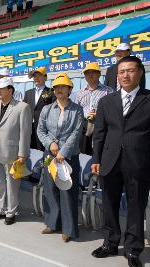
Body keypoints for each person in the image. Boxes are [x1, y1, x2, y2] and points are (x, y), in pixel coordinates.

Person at [91, 56, 150, 267]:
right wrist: (96, 158)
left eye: (130, 70)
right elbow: (99, 134)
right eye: (122, 71)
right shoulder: (106, 101)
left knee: (136, 206)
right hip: (110, 161)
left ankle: (133, 250)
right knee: (109, 204)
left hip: (139, 162)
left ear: (140, 73)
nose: (126, 75)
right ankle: (110, 243)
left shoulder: (148, 98)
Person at [37, 73, 84, 242]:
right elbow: (40, 130)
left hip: (69, 156)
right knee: (49, 189)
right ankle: (52, 223)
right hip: (50, 155)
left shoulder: (77, 110)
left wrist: (63, 152)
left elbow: (76, 133)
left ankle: (69, 229)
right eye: (56, 87)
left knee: (68, 191)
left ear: (70, 89)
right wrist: (50, 144)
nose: (59, 90)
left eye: (63, 87)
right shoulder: (46, 109)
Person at [0, 77, 32, 225]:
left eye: (2, 89)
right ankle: (0, 209)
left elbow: (25, 132)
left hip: (12, 153)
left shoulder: (22, 107)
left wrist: (23, 153)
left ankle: (11, 212)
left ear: (10, 90)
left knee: (12, 184)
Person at [75, 62, 112, 155]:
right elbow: (75, 111)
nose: (90, 74)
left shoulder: (108, 91)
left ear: (99, 74)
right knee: (83, 153)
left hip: (101, 125)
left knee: (99, 153)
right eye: (87, 72)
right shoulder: (80, 93)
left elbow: (113, 110)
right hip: (84, 126)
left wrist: (100, 114)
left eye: (93, 72)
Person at [23, 67, 55, 151]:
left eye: (39, 75)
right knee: (30, 150)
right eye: (34, 76)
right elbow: (23, 109)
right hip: (29, 128)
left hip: (45, 129)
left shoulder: (51, 92)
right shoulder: (28, 93)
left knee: (43, 151)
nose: (36, 78)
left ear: (45, 77)